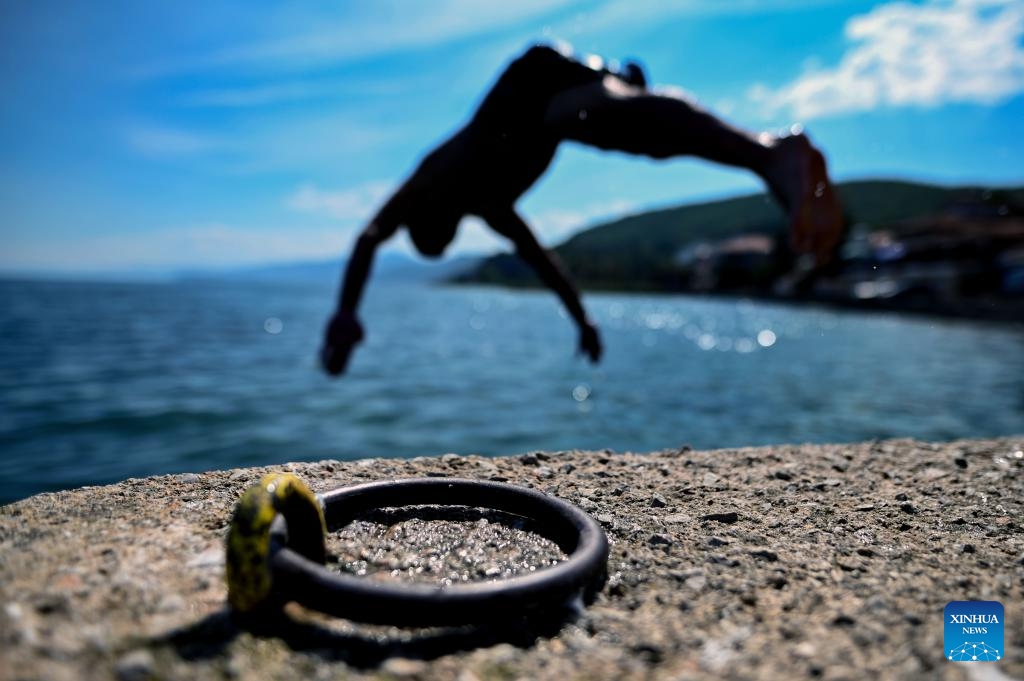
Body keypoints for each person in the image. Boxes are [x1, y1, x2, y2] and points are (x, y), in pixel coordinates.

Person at [321, 43, 842, 376]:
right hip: (554, 99)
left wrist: (346, 311)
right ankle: (769, 156)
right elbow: (546, 264)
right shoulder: (490, 204)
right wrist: (583, 320)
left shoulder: (431, 178)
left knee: (601, 115)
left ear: (432, 221)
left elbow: (369, 236)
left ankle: (770, 155)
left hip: (533, 80)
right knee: (617, 125)